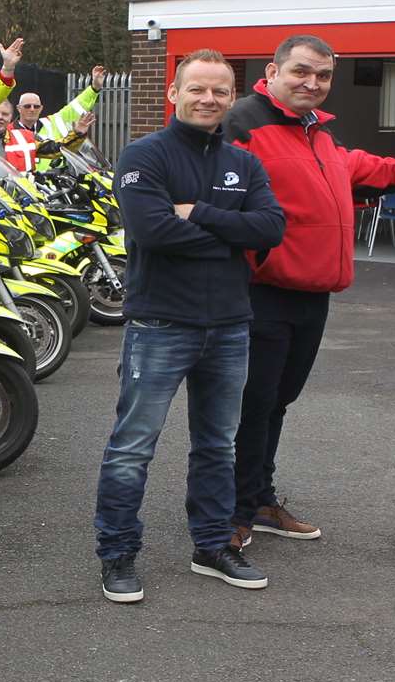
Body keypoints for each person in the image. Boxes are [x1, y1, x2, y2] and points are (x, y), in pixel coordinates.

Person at [222, 34, 395, 550]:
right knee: (253, 404)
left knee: (277, 401)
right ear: (272, 73)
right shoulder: (243, 124)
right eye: (300, 72)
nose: (312, 83)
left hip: (311, 295)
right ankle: (231, 510)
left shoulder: (315, 133)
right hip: (261, 292)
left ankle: (257, 496)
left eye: (322, 76)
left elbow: (350, 166)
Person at [95, 49, 284, 603]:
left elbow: (271, 228)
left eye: (220, 91)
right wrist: (232, 233)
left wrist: (196, 213)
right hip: (159, 324)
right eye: (197, 89)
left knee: (217, 446)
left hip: (229, 326)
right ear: (173, 94)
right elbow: (153, 232)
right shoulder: (143, 155)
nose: (208, 100)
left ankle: (212, 545)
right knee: (133, 447)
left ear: (232, 98)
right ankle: (118, 554)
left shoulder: (243, 163)